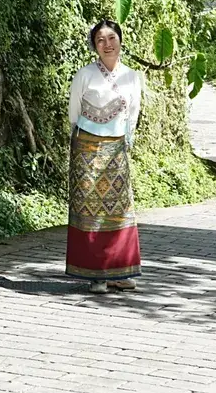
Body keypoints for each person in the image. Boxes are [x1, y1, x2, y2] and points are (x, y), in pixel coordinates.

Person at [65, 18, 143, 294]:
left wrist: (126, 142)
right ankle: (96, 274)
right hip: (87, 149)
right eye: (100, 40)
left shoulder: (132, 76)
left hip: (117, 150)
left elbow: (132, 114)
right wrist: (79, 144)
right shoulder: (84, 75)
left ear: (120, 40)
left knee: (118, 210)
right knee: (91, 211)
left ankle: (120, 272)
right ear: (94, 46)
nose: (107, 44)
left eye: (112, 38)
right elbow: (74, 113)